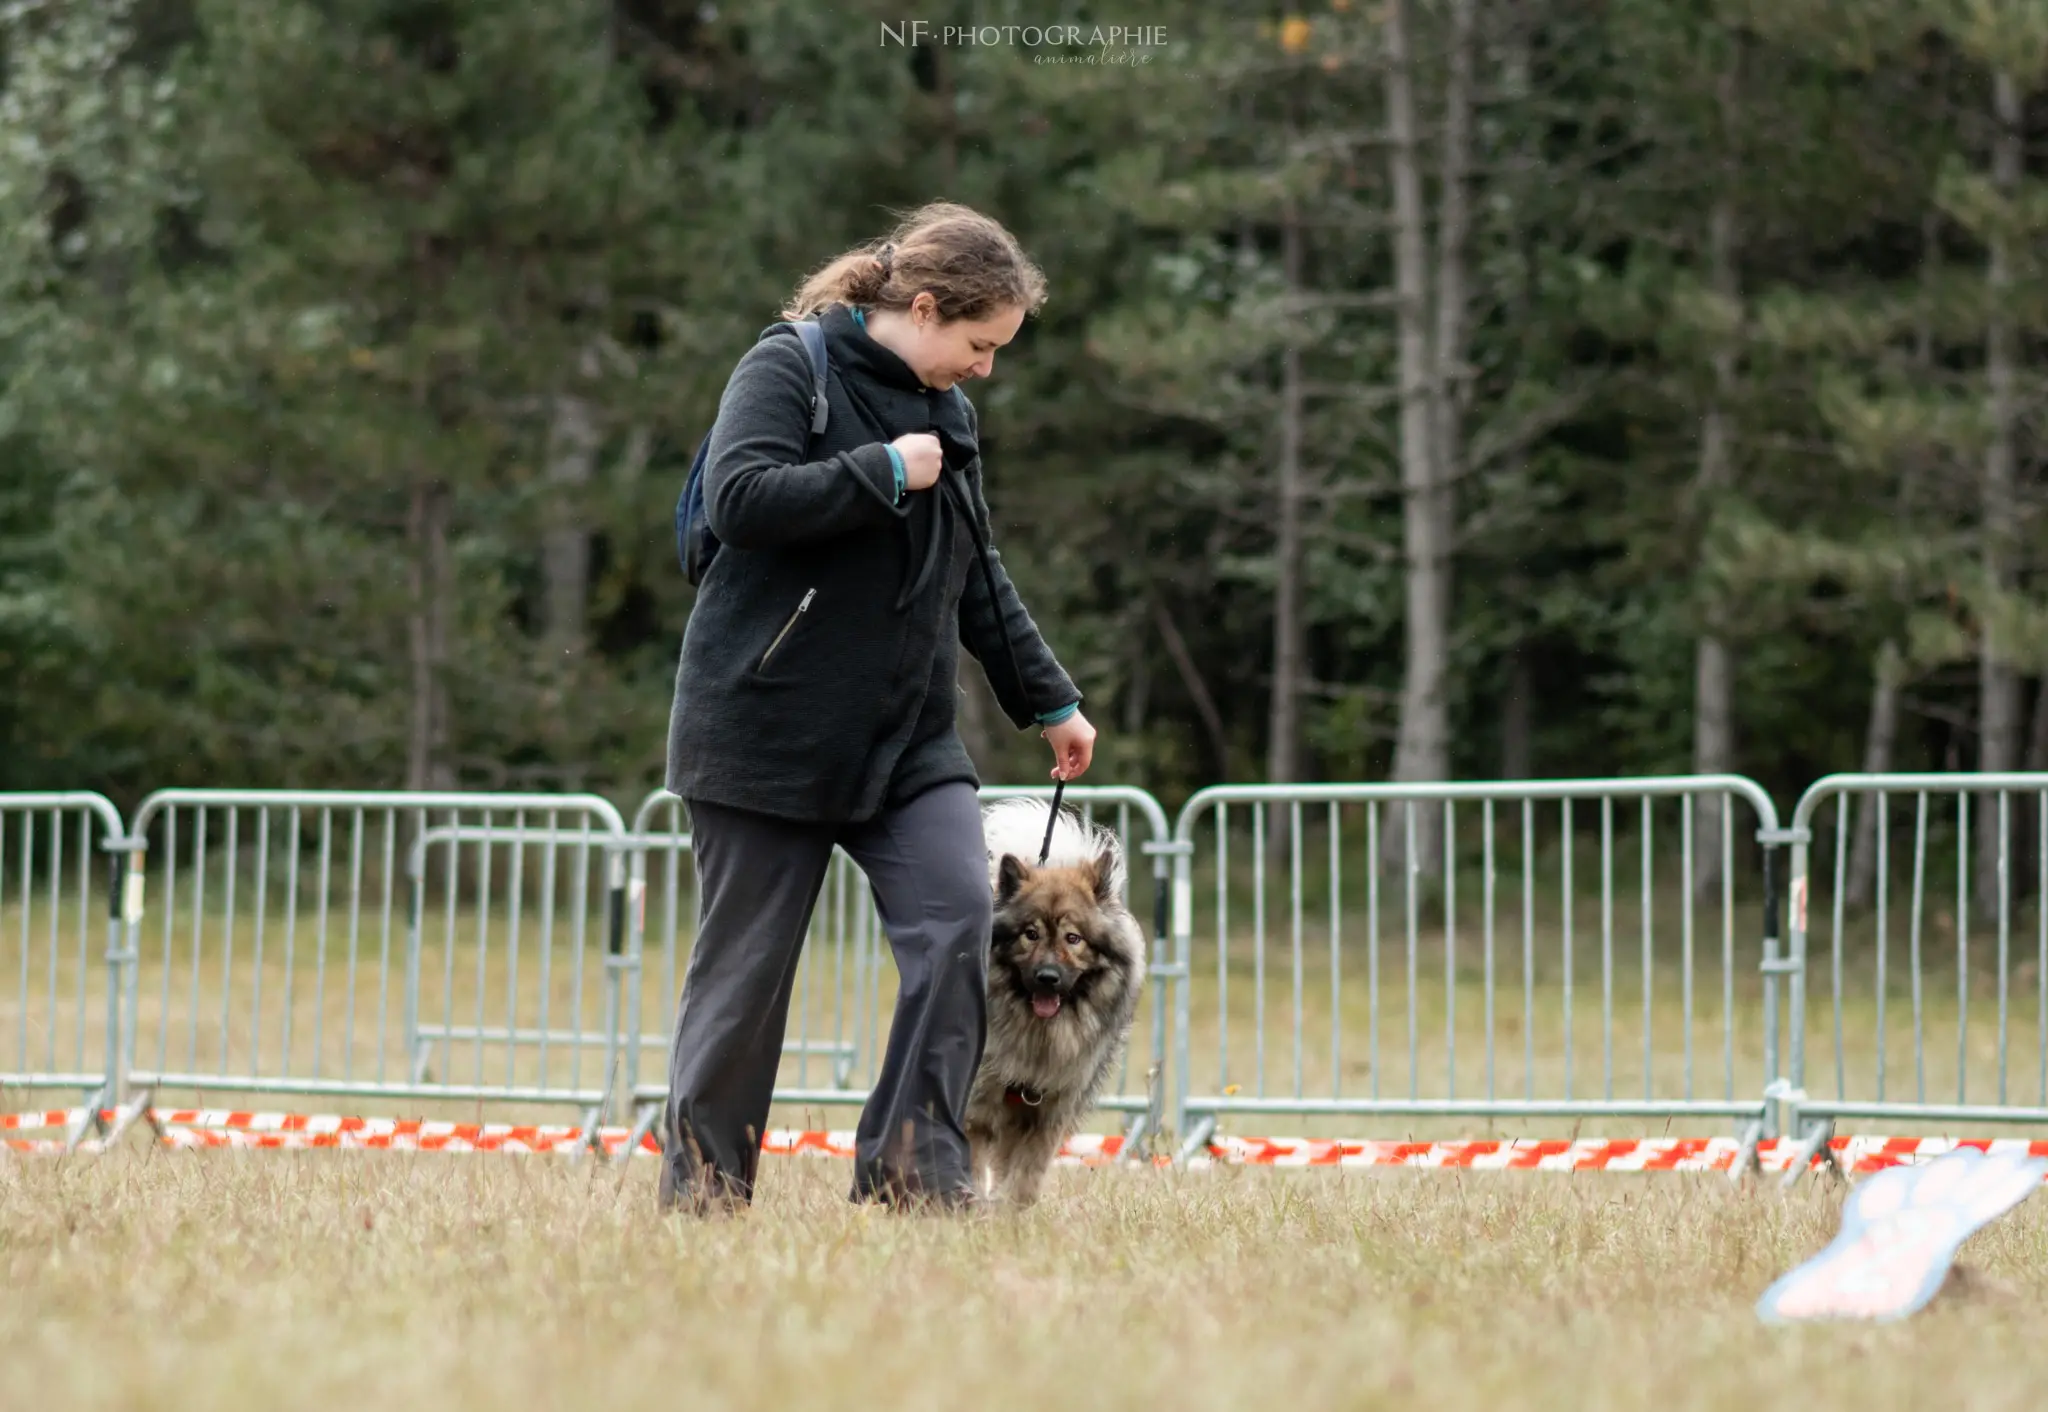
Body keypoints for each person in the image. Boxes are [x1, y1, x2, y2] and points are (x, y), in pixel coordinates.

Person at [660, 201, 1096, 1214]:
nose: (984, 367)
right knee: (744, 981)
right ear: (929, 307)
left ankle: (911, 1177)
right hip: (762, 729)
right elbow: (741, 499)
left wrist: (1051, 699)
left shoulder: (952, 411)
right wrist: (881, 470)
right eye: (979, 344)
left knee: (956, 926)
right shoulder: (789, 365)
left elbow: (976, 574)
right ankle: (705, 1194)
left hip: (905, 742)